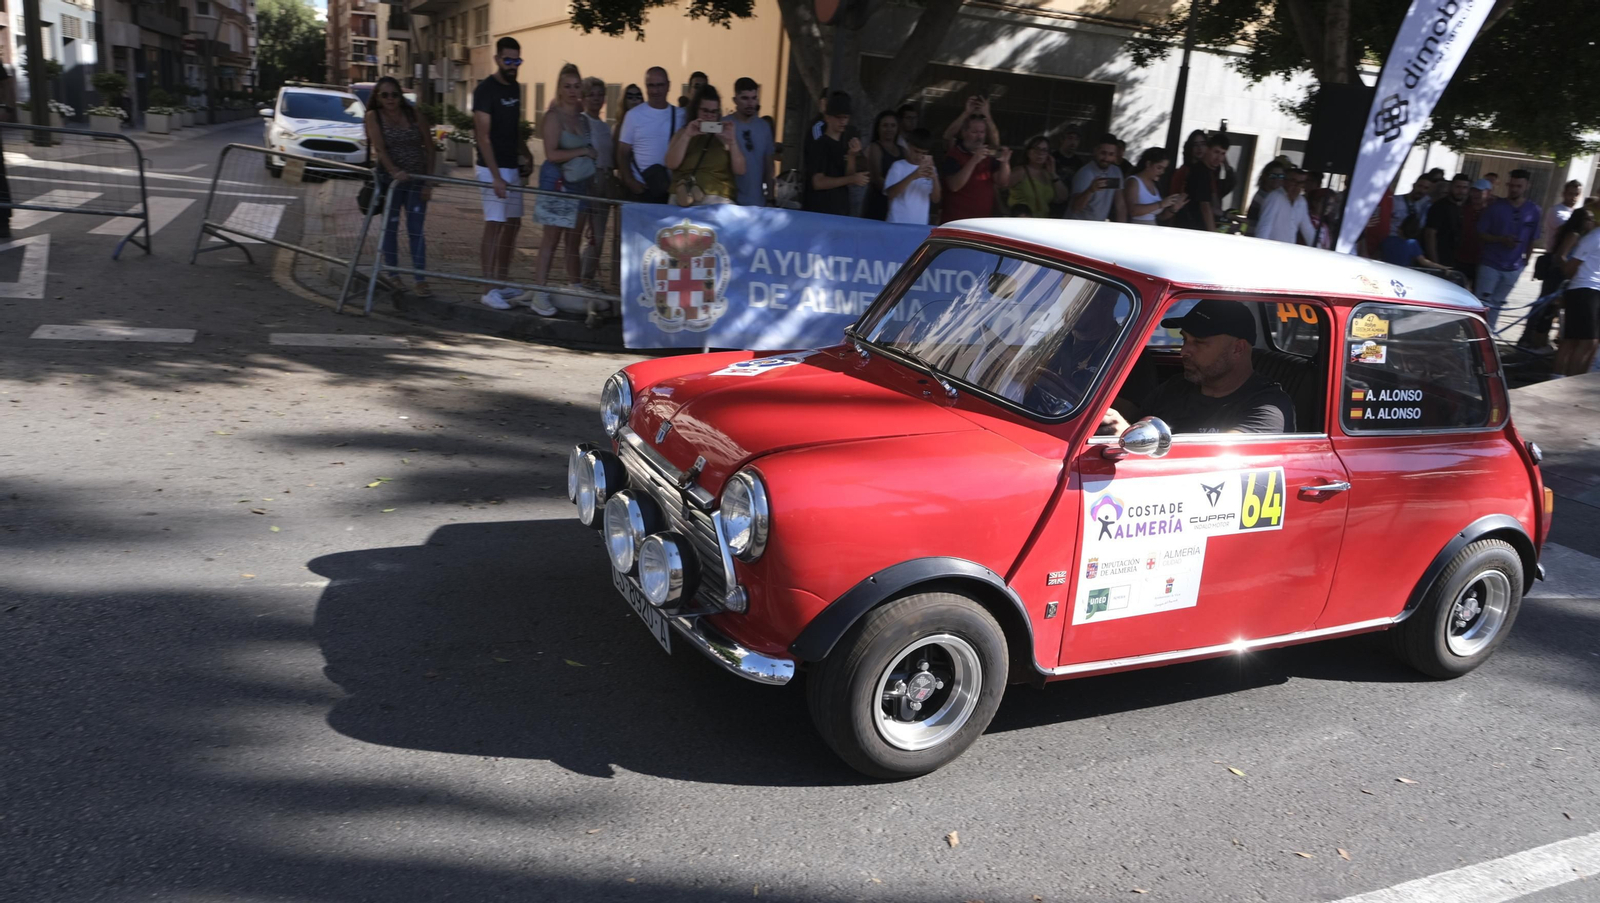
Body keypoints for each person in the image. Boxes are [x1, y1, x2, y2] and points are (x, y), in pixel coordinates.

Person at [1102, 299, 1294, 434]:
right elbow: (1137, 423)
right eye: (1185, 340)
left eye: (1199, 342)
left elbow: (1218, 465)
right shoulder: (1174, 388)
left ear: (1237, 349)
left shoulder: (1267, 407)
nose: (1184, 351)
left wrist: (1128, 437)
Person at [531, 63, 597, 317]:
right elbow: (551, 154)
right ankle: (539, 293)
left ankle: (575, 286)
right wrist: (583, 151)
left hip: (580, 183)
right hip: (557, 182)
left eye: (576, 86)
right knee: (551, 238)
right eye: (567, 86)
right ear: (559, 88)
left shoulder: (582, 118)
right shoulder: (553, 116)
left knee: (573, 239)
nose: (572, 91)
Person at [473, 37, 533, 310]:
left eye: (516, 60)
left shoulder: (516, 87)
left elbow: (513, 127)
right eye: (507, 60)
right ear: (497, 59)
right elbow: (483, 137)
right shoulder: (485, 90)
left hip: (511, 165)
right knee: (494, 224)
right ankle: (487, 289)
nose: (512, 65)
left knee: (513, 223)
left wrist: (526, 152)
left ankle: (501, 281)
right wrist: (496, 176)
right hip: (491, 168)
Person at [363, 76, 435, 297]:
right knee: (390, 227)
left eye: (394, 94)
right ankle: (393, 274)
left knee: (416, 229)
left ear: (400, 96)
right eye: (384, 95)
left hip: (416, 180)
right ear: (378, 97)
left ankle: (420, 279)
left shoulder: (414, 115)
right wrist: (394, 171)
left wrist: (428, 181)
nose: (390, 99)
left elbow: (430, 147)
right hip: (391, 182)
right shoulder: (374, 116)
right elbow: (380, 149)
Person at [1476, 168, 1543, 330]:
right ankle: (1475, 334)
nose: (1514, 189)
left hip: (1514, 267)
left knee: (1498, 303)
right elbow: (1481, 233)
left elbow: (1532, 239)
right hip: (1491, 264)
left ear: (1527, 186)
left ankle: (1490, 334)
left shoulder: (1534, 210)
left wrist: (1525, 263)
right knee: (1482, 303)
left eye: (1518, 186)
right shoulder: (1495, 208)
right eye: (1511, 185)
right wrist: (1500, 239)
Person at [1522, 207, 1593, 353]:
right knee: (1548, 309)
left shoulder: (1576, 235)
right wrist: (1569, 272)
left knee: (1551, 310)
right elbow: (1561, 256)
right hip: (1559, 276)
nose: (1591, 223)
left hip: (1559, 275)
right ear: (1581, 220)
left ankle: (1539, 340)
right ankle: (1536, 342)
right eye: (1589, 219)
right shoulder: (1573, 235)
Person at [665, 84, 745, 206]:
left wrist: (732, 142)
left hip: (717, 199)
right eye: (705, 111)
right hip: (685, 198)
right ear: (696, 109)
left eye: (714, 112)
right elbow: (671, 163)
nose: (709, 116)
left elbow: (740, 170)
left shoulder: (724, 136)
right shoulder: (683, 133)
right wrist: (687, 136)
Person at [617, 66, 684, 204]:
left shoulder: (681, 115)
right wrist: (630, 182)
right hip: (641, 189)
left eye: (660, 85)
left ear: (668, 86)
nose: (655, 90)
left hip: (671, 191)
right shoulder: (633, 115)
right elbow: (623, 152)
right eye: (651, 85)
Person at [803, 91, 867, 216]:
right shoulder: (819, 144)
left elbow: (849, 178)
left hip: (840, 210)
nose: (842, 121)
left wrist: (852, 155)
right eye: (838, 117)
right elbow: (818, 182)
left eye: (846, 117)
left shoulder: (845, 143)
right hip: (820, 210)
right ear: (827, 117)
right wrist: (852, 178)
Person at [939, 111, 1010, 223]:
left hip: (980, 222)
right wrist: (974, 160)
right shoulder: (954, 154)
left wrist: (1005, 163)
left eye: (982, 132)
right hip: (956, 221)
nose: (979, 136)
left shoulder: (989, 155)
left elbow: (1002, 182)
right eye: (974, 132)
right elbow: (954, 186)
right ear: (964, 133)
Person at [579, 76, 614, 286]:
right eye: (591, 94)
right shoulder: (582, 122)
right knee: (593, 235)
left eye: (600, 94)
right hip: (590, 180)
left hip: (606, 181)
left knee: (598, 235)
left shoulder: (605, 126)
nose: (596, 99)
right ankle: (584, 278)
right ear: (583, 97)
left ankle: (587, 277)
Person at [1556, 207, 1600, 376]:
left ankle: (1578, 380)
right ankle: (1566, 380)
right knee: (1582, 341)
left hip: (1594, 291)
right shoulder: (1594, 238)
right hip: (1584, 290)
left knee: (1592, 343)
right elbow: (1569, 267)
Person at [724, 77, 775, 207]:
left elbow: (769, 166)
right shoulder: (724, 124)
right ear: (735, 100)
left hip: (757, 202)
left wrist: (770, 198)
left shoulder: (764, 127)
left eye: (754, 98)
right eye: (745, 98)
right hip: (728, 201)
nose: (750, 103)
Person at [1171, 133, 1228, 231]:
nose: (1219, 158)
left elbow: (1212, 204)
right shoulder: (1196, 171)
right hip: (1188, 227)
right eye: (1216, 152)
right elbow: (1205, 207)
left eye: (1222, 154)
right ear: (1208, 149)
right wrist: (1213, 234)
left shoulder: (1208, 172)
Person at [884, 129, 940, 225]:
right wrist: (913, 175)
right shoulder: (898, 166)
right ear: (909, 146)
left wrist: (935, 178)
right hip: (897, 223)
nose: (919, 156)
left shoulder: (931, 169)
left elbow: (936, 199)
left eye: (924, 153)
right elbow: (890, 194)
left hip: (920, 224)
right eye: (916, 151)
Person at [1067, 133, 1126, 222]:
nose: (1106, 158)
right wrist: (1090, 190)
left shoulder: (1116, 172)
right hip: (1077, 224)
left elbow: (1120, 206)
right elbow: (1075, 208)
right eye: (1103, 153)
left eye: (1111, 154)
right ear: (1095, 151)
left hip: (1098, 225)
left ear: (1115, 156)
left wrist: (1121, 228)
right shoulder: (1085, 173)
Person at [1006, 135, 1067, 219]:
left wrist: (1053, 173)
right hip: (1021, 221)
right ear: (1028, 152)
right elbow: (999, 186)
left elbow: (1063, 197)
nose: (1040, 153)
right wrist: (1002, 209)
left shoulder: (1048, 174)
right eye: (1036, 149)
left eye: (1044, 150)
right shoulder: (1020, 171)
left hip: (1041, 220)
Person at [1253, 163, 1315, 245]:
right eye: (1293, 181)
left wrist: (1319, 248)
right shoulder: (1274, 197)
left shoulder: (1301, 202)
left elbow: (1308, 229)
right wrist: (1260, 247)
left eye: (1301, 183)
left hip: (1289, 249)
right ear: (1285, 181)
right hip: (1271, 248)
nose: (1296, 186)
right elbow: (1265, 226)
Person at [1423, 173, 1470, 274]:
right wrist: (1435, 263)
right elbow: (1430, 235)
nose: (1461, 191)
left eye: (1464, 188)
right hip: (1440, 259)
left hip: (1456, 260)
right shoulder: (1439, 207)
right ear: (1451, 187)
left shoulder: (1464, 208)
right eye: (1458, 187)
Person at [1122, 147, 1184, 225]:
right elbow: (1133, 211)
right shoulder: (1133, 181)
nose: (1162, 172)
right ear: (1148, 164)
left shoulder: (1155, 185)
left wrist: (1173, 209)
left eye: (1164, 169)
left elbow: (1160, 217)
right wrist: (1160, 204)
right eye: (1159, 168)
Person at [863, 110, 903, 220]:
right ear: (878, 128)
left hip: (897, 204)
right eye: (885, 125)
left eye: (893, 125)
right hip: (878, 203)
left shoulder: (903, 150)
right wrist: (895, 191)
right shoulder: (874, 147)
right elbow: (876, 178)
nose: (889, 129)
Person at [1380, 215, 1447, 270]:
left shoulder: (1388, 240)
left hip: (1387, 271)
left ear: (1400, 229)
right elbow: (1424, 262)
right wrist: (1442, 267)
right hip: (1403, 273)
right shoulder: (1412, 243)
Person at [1390, 173, 1437, 237]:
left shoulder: (1425, 205)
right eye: (1420, 186)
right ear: (1414, 185)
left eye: (1426, 188)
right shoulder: (1395, 201)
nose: (1421, 190)